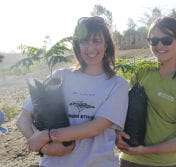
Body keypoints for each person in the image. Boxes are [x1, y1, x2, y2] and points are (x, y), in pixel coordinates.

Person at [16, 16, 129, 167]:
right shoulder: (60, 76)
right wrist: (45, 147)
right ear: (77, 45)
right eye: (84, 41)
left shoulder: (117, 85)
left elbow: (95, 128)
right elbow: (23, 118)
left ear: (106, 45)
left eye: (96, 41)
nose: (90, 49)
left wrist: (48, 135)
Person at [116, 16, 176, 167]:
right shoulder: (142, 71)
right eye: (154, 40)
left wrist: (147, 150)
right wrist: (117, 133)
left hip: (167, 163)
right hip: (129, 160)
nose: (160, 45)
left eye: (167, 40)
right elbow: (123, 109)